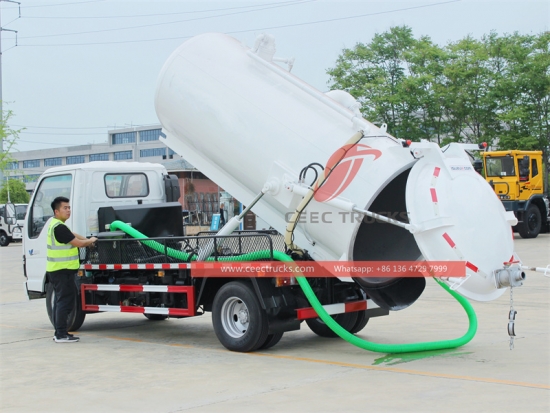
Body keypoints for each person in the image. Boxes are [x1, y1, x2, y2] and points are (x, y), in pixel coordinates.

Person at [47, 196, 97, 343]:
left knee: (60, 301)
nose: (68, 210)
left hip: (59, 270)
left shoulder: (57, 225)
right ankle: (61, 334)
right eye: (65, 208)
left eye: (69, 208)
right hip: (62, 270)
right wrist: (91, 241)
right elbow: (78, 243)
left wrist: (87, 239)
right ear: (56, 211)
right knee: (65, 302)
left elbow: (73, 235)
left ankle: (59, 333)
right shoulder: (59, 227)